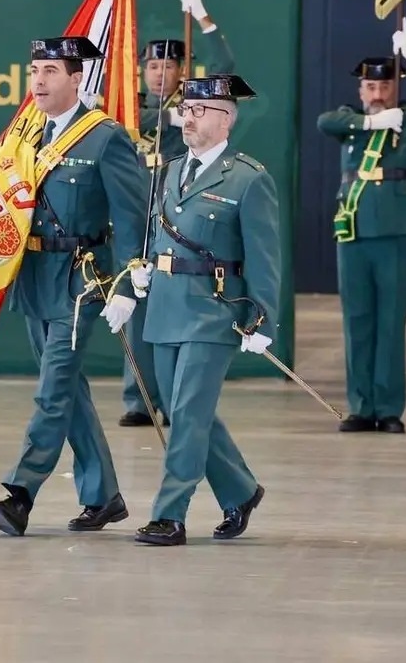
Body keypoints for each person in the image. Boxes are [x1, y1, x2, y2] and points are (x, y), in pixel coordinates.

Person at [0, 36, 147, 536]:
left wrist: (127, 283)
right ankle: (103, 497)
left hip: (81, 281)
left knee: (53, 391)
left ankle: (21, 493)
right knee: (69, 391)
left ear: (78, 79)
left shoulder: (104, 137)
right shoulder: (26, 135)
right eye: (34, 69)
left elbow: (132, 213)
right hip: (34, 278)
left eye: (51, 70)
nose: (39, 80)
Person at [126, 74, 279, 546]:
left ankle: (170, 514)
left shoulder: (249, 178)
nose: (187, 118)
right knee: (182, 410)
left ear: (226, 118)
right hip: (167, 306)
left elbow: (265, 255)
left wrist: (261, 317)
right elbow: (155, 233)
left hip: (215, 310)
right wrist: (140, 270)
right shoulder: (169, 170)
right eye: (186, 109)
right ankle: (241, 489)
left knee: (188, 415)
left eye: (198, 111)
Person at [315, 18, 406, 434]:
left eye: (385, 86)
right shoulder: (351, 122)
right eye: (370, 87)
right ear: (360, 91)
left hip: (395, 228)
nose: (377, 93)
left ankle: (388, 407)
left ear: (396, 88)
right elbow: (326, 122)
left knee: (391, 321)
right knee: (357, 320)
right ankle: (360, 405)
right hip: (353, 229)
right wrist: (370, 122)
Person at [118, 0, 237, 429]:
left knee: (172, 304)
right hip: (135, 212)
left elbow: (225, 70)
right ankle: (138, 398)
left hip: (177, 213)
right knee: (136, 301)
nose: (159, 73)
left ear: (183, 69)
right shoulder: (135, 104)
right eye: (152, 65)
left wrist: (204, 20)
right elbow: (120, 117)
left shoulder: (195, 104)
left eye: (168, 65)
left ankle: (171, 397)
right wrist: (163, 116)